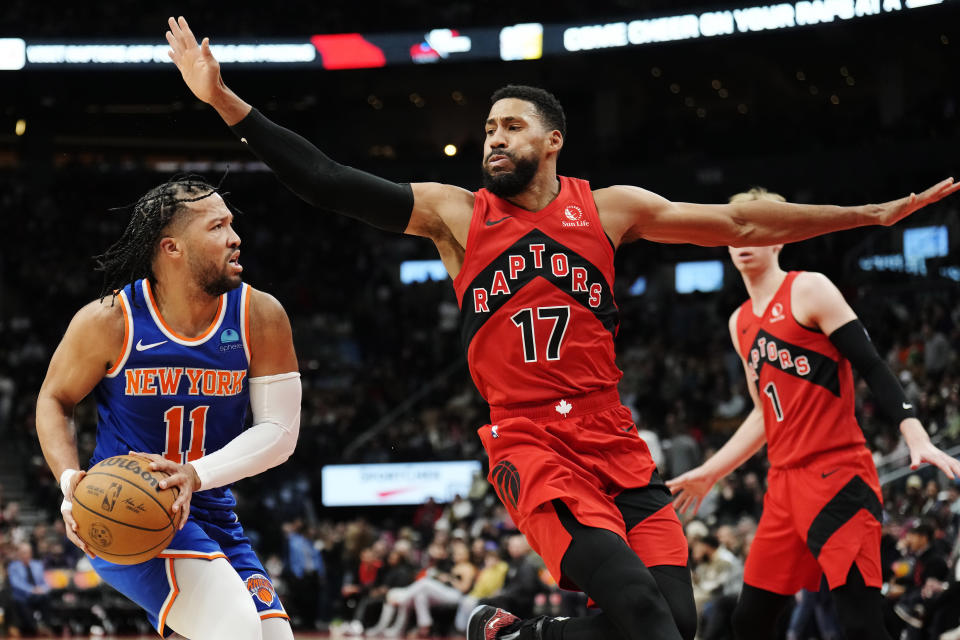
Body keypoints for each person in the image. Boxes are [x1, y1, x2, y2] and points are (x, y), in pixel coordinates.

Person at [164, 15, 960, 640]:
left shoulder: (609, 210)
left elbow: (739, 219)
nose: (493, 138)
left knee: (675, 624)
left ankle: (513, 636)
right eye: (486, 129)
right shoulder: (456, 215)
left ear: (552, 140)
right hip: (534, 445)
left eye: (509, 126)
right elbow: (330, 181)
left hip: (616, 442)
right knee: (645, 620)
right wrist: (226, 101)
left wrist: (870, 212)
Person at [667, 187, 960, 640]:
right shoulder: (739, 321)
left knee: (860, 623)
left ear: (781, 235)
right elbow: (765, 414)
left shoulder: (808, 287)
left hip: (838, 476)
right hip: (783, 487)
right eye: (735, 226)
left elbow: (872, 365)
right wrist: (710, 471)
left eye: (758, 225)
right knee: (748, 621)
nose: (744, 236)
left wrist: (915, 434)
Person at [35, 176, 302, 640]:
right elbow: (54, 399)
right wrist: (68, 481)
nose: (235, 237)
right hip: (130, 509)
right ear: (172, 247)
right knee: (238, 631)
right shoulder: (110, 321)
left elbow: (280, 430)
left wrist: (195, 476)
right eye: (217, 227)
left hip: (211, 509)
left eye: (231, 224)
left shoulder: (259, 315)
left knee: (273, 636)